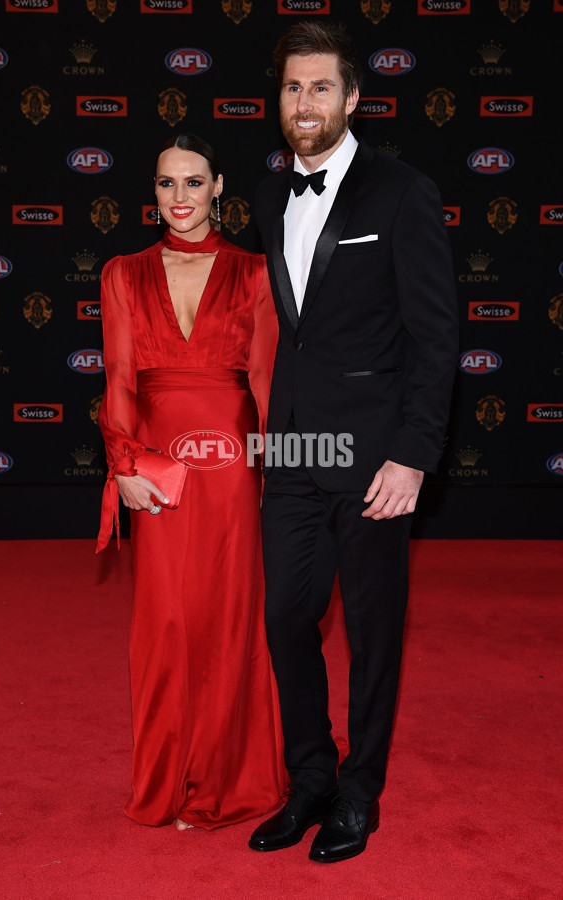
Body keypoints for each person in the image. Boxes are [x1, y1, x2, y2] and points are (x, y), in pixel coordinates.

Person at [248, 22, 459, 863]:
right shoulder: (268, 196)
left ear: (353, 99)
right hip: (296, 452)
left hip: (376, 458)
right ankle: (310, 780)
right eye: (294, 88)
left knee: (373, 633)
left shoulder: (401, 192)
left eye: (322, 88)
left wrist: (413, 454)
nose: (306, 104)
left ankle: (359, 794)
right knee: (287, 618)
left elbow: (437, 337)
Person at [96, 133, 285, 831]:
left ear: (219, 188)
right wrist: (125, 469)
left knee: (232, 622)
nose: (180, 198)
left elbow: (266, 383)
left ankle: (230, 779)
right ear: (153, 194)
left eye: (194, 183)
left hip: (235, 474)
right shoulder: (123, 273)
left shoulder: (255, 273)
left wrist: (280, 477)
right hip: (160, 473)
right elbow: (118, 380)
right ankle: (170, 779)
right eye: (167, 185)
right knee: (168, 624)